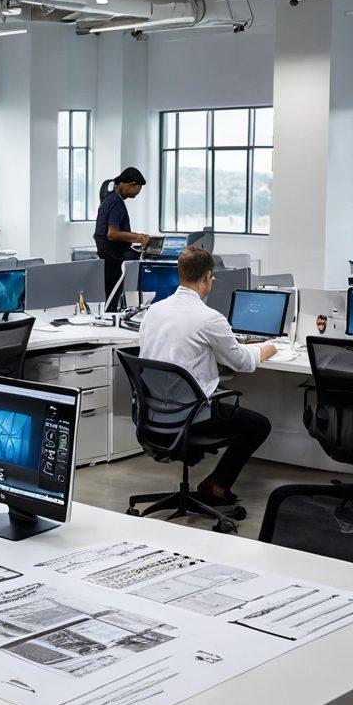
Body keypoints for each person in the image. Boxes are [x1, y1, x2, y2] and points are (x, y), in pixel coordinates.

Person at [138, 246, 276, 504]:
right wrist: (268, 348)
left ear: (180, 273)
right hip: (190, 418)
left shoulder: (153, 312)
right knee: (259, 425)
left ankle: (214, 483)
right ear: (207, 277)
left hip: (154, 415)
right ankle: (217, 483)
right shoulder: (209, 318)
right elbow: (242, 363)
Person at [94, 167, 149, 311]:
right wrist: (138, 237)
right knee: (112, 298)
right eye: (138, 188)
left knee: (111, 296)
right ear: (131, 184)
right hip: (113, 258)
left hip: (110, 257)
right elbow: (112, 233)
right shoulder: (116, 202)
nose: (138, 193)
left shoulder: (111, 199)